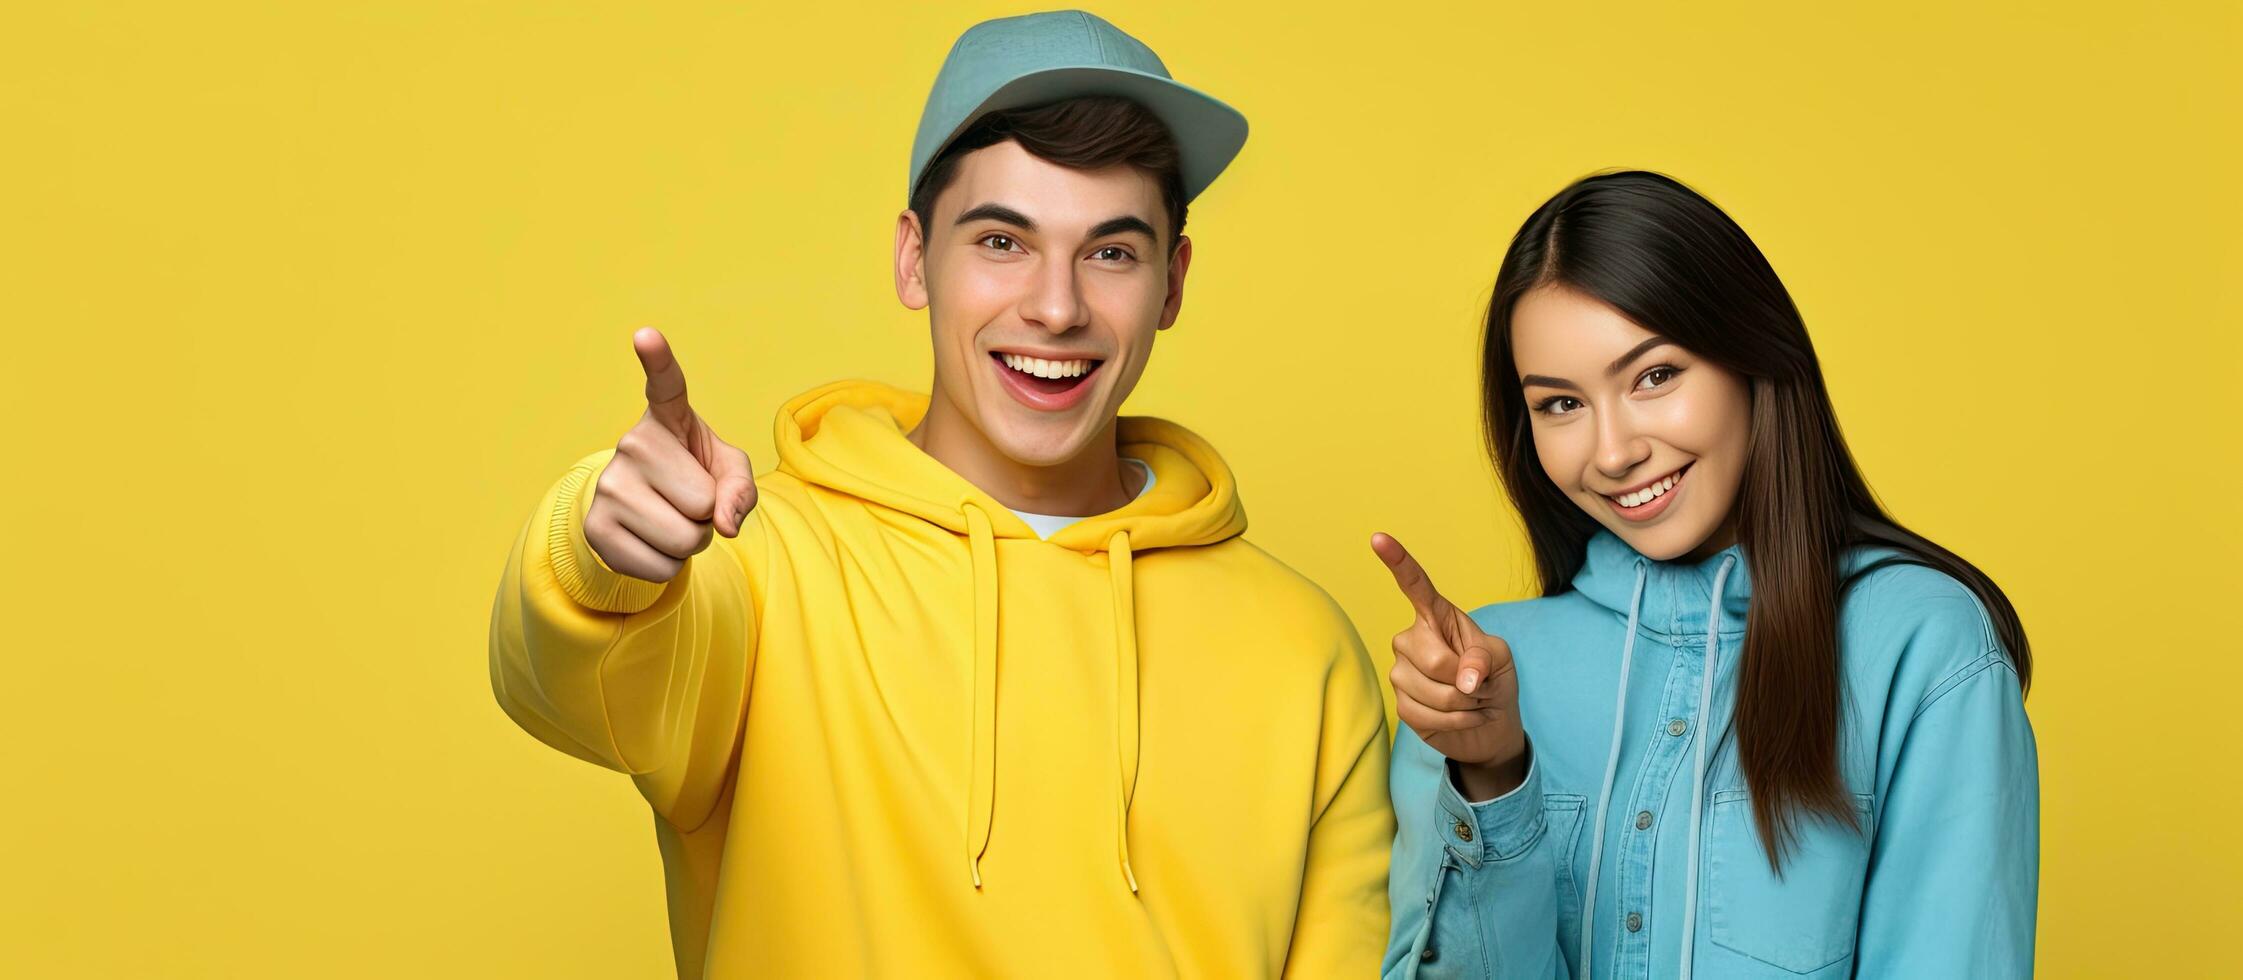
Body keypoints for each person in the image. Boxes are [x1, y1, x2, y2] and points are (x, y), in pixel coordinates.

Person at [486, 10, 1391, 977]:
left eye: (1112, 252)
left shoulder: (1307, 652)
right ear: (915, 258)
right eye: (1002, 241)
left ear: (1172, 283)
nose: (1056, 306)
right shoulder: (756, 565)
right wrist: (603, 550)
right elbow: (571, 688)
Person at [1376, 171, 2038, 979]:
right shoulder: (1476, 671)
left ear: (1752, 356)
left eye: (1654, 376)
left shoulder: (1919, 642)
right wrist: (1489, 771)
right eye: (1559, 405)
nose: (1612, 451)